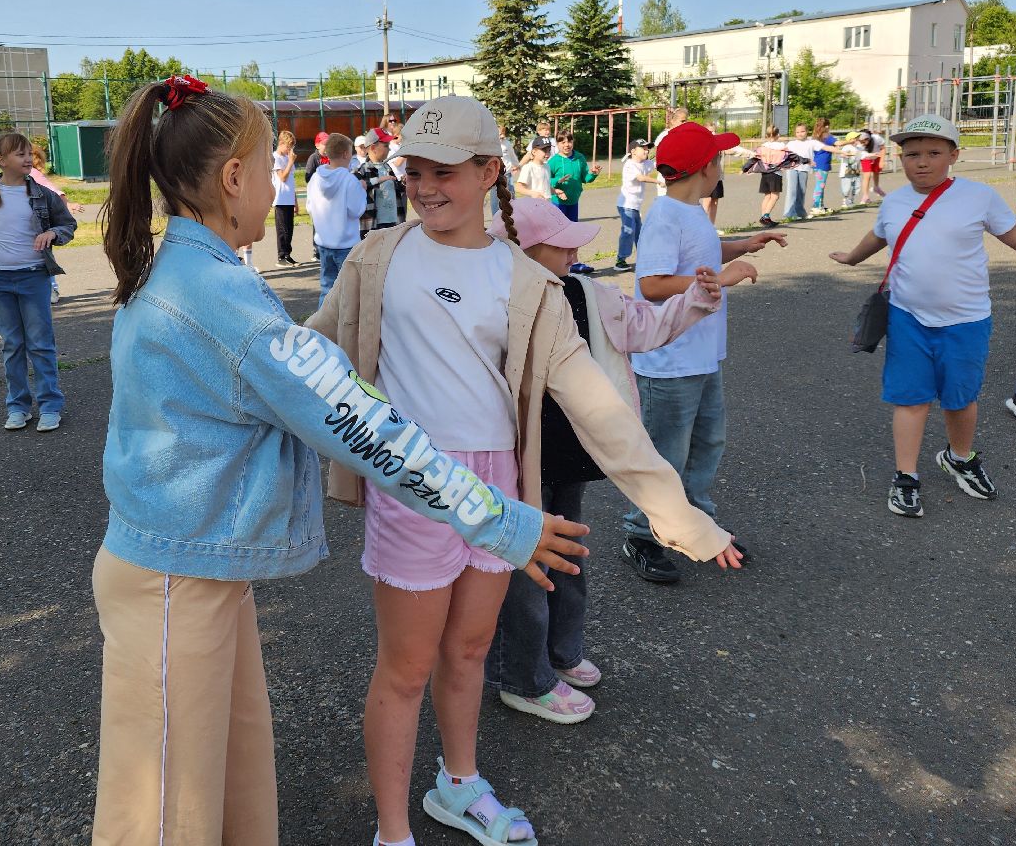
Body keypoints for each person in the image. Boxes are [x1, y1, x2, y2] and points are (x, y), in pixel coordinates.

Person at [92, 76, 586, 846]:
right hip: (174, 584)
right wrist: (500, 521)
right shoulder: (222, 297)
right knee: (162, 817)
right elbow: (363, 425)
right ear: (232, 181)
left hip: (197, 571)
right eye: (266, 171)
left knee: (232, 786)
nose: (272, 186)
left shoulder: (201, 274)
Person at [309, 95, 739, 846]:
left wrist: (676, 513)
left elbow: (600, 407)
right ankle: (391, 830)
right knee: (405, 668)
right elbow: (311, 349)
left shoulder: (530, 283)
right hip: (411, 478)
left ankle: (458, 784)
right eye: (414, 171)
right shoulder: (378, 255)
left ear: (486, 173)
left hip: (498, 485)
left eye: (445, 171)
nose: (426, 186)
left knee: (472, 649)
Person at [483, 198, 746, 724]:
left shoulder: (585, 292)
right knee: (525, 569)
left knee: (569, 560)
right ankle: (524, 677)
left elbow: (644, 326)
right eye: (563, 243)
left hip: (575, 452)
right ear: (526, 252)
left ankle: (561, 652)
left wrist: (696, 298)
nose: (575, 250)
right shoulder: (492, 301)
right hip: (513, 462)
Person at [829, 114, 1016, 518]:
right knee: (911, 398)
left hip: (967, 319)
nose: (921, 161)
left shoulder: (979, 196)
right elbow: (880, 235)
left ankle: (960, 457)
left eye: (934, 153)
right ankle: (906, 476)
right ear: (901, 158)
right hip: (908, 317)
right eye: (911, 154)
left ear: (953, 155)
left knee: (960, 398)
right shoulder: (896, 200)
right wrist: (850, 257)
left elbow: (1014, 236)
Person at [621, 121, 788, 583]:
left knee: (706, 445)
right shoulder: (665, 216)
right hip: (669, 362)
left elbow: (703, 253)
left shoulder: (691, 210)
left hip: (700, 357)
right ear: (706, 167)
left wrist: (741, 246)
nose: (724, 165)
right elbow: (652, 284)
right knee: (665, 457)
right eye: (719, 159)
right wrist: (722, 278)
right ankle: (641, 532)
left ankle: (695, 523)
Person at [0, 132, 77, 432]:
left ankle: (50, 406)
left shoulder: (42, 193)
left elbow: (67, 224)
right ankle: (18, 407)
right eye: (19, 154)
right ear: (1, 160)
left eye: (29, 153)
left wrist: (52, 234)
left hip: (34, 277)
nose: (28, 158)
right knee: (12, 345)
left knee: (40, 345)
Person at [307, 132, 366, 307]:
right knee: (349, 291)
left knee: (326, 288)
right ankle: (346, 328)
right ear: (347, 154)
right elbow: (356, 211)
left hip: (324, 243)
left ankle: (322, 326)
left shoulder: (316, 178)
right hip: (346, 244)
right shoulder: (350, 180)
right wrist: (361, 190)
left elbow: (310, 207)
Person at [29, 153, 83, 304]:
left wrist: (68, 205)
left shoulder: (32, 174)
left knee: (43, 255)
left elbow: (55, 193)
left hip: (40, 228)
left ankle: (51, 288)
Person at [547, 131, 600, 274]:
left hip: (573, 202)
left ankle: (574, 263)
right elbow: (545, 180)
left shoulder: (579, 158)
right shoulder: (553, 161)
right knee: (559, 233)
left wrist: (593, 173)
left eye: (569, 141)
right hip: (558, 202)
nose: (567, 145)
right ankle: (556, 264)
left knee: (573, 233)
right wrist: (558, 181)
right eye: (562, 142)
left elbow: (586, 178)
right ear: (557, 144)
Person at [615, 138, 657, 270]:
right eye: (643, 148)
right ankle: (620, 260)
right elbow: (641, 178)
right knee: (629, 230)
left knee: (639, 232)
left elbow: (658, 163)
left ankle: (644, 258)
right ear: (633, 151)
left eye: (647, 148)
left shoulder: (646, 163)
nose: (646, 150)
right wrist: (658, 182)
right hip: (626, 204)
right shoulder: (630, 165)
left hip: (635, 206)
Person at [355, 129, 401, 238]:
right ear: (373, 148)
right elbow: (357, 186)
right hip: (374, 224)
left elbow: (395, 188)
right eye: (385, 145)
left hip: (393, 220)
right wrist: (378, 180)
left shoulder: (387, 167)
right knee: (373, 253)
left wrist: (403, 182)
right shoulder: (363, 169)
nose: (389, 148)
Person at [752, 126, 789, 227]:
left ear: (767, 135)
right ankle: (765, 216)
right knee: (775, 196)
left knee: (767, 196)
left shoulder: (763, 146)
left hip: (765, 173)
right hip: (775, 173)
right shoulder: (781, 145)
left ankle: (764, 217)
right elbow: (787, 157)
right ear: (778, 135)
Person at [272, 129, 298, 265]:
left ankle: (288, 254)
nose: (290, 149)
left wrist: (296, 201)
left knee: (290, 228)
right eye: (288, 146)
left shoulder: (288, 158)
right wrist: (290, 162)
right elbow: (282, 177)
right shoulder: (275, 157)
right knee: (283, 229)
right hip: (280, 199)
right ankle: (282, 256)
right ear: (281, 143)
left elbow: (291, 181)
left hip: (289, 198)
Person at [858, 127, 887, 204]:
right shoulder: (858, 143)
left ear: (868, 139)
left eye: (864, 141)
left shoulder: (877, 138)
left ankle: (876, 187)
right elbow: (861, 154)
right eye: (860, 141)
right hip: (865, 157)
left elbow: (883, 148)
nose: (862, 143)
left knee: (876, 172)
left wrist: (882, 161)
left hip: (876, 156)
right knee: (867, 175)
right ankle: (865, 196)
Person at [836, 131, 865, 209]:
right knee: (846, 186)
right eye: (856, 138)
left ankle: (851, 200)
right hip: (847, 170)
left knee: (856, 186)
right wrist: (845, 155)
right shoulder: (847, 147)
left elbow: (863, 155)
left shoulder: (858, 148)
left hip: (856, 170)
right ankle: (845, 201)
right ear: (850, 139)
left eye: (857, 138)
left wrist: (872, 155)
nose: (857, 139)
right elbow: (839, 156)